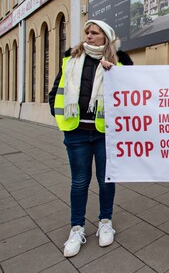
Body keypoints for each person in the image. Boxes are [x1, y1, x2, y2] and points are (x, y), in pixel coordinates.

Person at [48, 20, 133, 257]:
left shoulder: (120, 61)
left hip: (106, 133)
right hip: (76, 132)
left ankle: (105, 223)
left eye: (94, 33)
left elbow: (131, 91)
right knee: (79, 182)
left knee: (106, 180)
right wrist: (57, 115)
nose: (88, 36)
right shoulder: (71, 58)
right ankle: (77, 228)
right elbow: (57, 90)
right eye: (87, 32)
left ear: (105, 37)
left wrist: (114, 72)